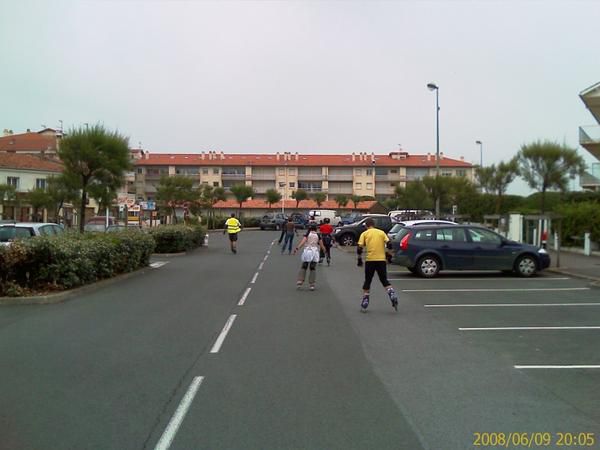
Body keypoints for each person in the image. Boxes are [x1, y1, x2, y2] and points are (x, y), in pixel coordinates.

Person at [356, 218, 398, 312]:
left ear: (366, 226)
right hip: (381, 260)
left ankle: (365, 301)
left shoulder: (365, 234)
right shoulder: (381, 233)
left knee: (368, 280)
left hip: (370, 260)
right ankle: (391, 293)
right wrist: (389, 256)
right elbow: (389, 244)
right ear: (373, 224)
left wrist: (359, 259)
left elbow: (359, 248)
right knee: (384, 280)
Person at [293, 223, 326, 291]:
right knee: (312, 267)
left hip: (307, 251)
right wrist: (324, 250)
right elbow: (321, 244)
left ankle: (300, 281)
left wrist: (297, 248)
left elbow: (303, 242)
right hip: (315, 252)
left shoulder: (308, 234)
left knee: (304, 266)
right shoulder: (318, 235)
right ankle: (312, 284)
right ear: (316, 228)